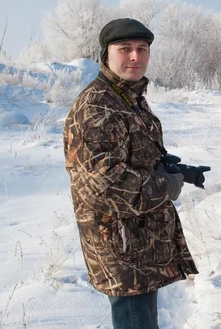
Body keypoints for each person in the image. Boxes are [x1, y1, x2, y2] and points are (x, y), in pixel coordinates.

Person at [63, 18, 198, 329]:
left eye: (142, 49)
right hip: (122, 247)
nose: (135, 57)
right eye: (125, 49)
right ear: (106, 54)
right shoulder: (98, 106)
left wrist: (173, 169)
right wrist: (168, 184)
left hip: (140, 240)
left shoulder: (127, 97)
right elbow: (107, 186)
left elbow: (131, 156)